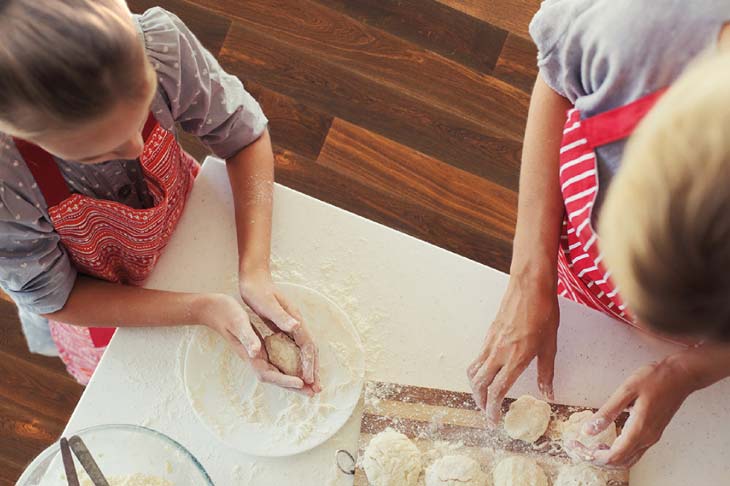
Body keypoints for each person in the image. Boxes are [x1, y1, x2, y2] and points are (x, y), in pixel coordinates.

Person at [0, 0, 319, 393]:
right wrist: (201, 308)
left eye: (141, 119)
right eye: (100, 152)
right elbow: (59, 298)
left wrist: (254, 270)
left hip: (187, 225)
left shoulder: (159, 45)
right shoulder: (6, 185)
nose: (136, 149)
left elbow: (244, 138)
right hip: (100, 297)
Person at [468, 0, 730, 469]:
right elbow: (555, 79)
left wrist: (690, 368)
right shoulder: (632, 27)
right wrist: (531, 273)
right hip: (573, 275)